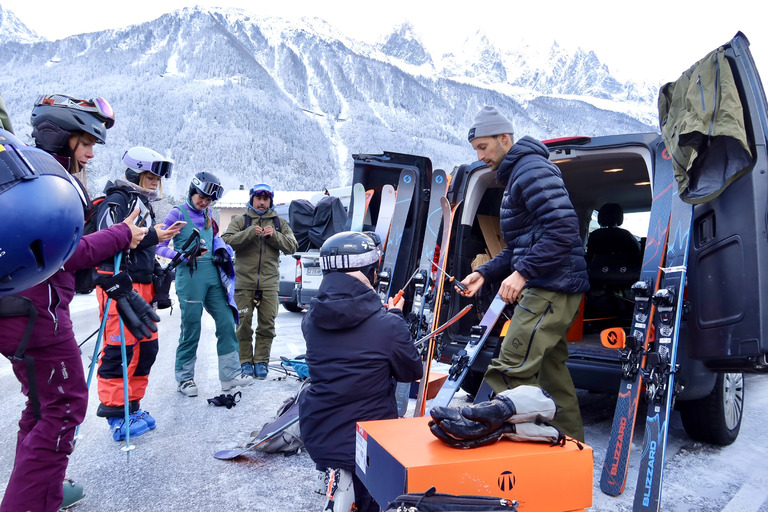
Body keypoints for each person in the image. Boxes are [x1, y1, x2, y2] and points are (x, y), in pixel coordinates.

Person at [0, 124, 151, 511]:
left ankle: (37, 489)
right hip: (39, 314)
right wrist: (120, 235)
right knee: (64, 408)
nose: (91, 153)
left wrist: (130, 237)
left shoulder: (23, 179)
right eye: (85, 143)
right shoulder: (34, 186)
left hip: (18, 314)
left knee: (41, 406)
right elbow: (66, 251)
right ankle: (30, 501)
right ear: (59, 139)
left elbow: (64, 249)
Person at [459, 105, 590, 441]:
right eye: (476, 149)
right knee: (551, 377)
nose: (480, 155)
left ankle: (515, 455)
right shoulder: (518, 173)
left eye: (484, 147)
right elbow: (521, 246)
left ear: (505, 139)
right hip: (551, 285)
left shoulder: (530, 169)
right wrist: (485, 274)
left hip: (549, 287)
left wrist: (522, 274)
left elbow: (562, 228)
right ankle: (570, 451)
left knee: (509, 370)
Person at [298, 231, 423, 512]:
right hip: (369, 443)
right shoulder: (386, 324)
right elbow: (411, 371)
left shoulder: (310, 320)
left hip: (319, 433)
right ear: (370, 271)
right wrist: (396, 317)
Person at [93, 147, 183, 440]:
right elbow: (106, 244)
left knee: (146, 350)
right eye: (150, 174)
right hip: (120, 287)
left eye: (158, 176)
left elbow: (137, 243)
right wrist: (113, 285)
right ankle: (117, 414)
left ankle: (133, 406)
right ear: (136, 172)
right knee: (121, 351)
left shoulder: (142, 202)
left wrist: (160, 238)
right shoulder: (117, 201)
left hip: (143, 286)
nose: (156, 180)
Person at [156, 172, 254, 397]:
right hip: (190, 276)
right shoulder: (177, 213)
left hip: (213, 273)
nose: (204, 202)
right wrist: (176, 254)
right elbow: (157, 246)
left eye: (209, 200)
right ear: (192, 191)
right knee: (192, 327)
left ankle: (230, 376)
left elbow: (213, 238)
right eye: (201, 197)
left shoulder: (209, 214)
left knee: (227, 321)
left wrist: (221, 250)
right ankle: (185, 378)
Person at [221, 183, 298, 379]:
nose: (262, 203)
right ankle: (245, 361)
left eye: (266, 199)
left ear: (270, 201)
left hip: (269, 284)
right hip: (243, 284)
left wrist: (275, 236)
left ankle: (262, 361)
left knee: (267, 326)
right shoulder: (241, 221)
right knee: (243, 325)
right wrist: (249, 233)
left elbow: (292, 246)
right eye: (258, 198)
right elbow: (226, 241)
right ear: (252, 199)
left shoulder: (280, 223)